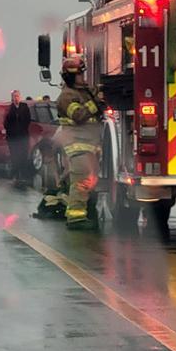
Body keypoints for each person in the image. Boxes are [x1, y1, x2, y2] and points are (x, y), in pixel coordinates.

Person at [55, 56, 104, 230]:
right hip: (77, 144)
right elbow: (79, 116)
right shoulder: (66, 97)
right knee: (82, 178)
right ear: (70, 77)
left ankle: (85, 212)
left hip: (89, 144)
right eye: (80, 75)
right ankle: (75, 219)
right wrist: (95, 103)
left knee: (90, 180)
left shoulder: (83, 91)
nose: (83, 77)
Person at [4, 90, 32, 186]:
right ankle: (16, 174)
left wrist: (22, 128)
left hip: (23, 135)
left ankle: (22, 174)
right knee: (15, 156)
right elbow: (6, 122)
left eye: (17, 96)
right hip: (13, 137)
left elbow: (28, 119)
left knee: (23, 155)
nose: (16, 98)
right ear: (12, 98)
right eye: (14, 96)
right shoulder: (9, 109)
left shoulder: (24, 107)